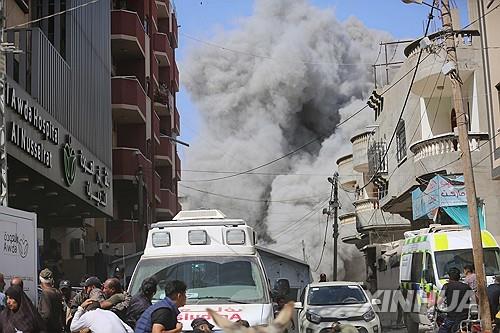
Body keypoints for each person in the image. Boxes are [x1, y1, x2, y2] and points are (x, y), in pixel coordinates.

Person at [438, 268, 473, 333]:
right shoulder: (466, 287)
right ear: (459, 277)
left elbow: (439, 301)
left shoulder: (446, 286)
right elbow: (475, 299)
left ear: (449, 277)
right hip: (464, 317)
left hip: (451, 317)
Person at [38, 268, 64, 332]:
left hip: (48, 329)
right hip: (57, 328)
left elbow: (46, 314)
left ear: (40, 280)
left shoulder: (46, 293)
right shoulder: (57, 292)